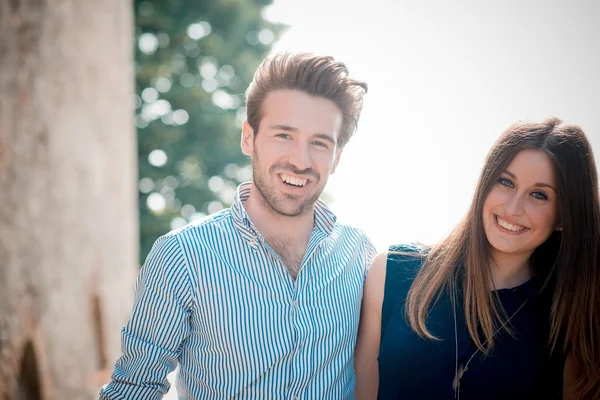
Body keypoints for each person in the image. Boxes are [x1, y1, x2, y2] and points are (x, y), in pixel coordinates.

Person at [100, 52, 376, 399]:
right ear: (248, 138)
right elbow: (134, 389)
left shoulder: (360, 256)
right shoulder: (182, 256)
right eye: (283, 135)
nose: (300, 161)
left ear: (336, 157)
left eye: (319, 143)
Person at [355, 117, 600, 400]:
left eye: (539, 195)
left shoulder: (570, 320)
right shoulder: (392, 272)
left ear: (563, 217)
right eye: (506, 182)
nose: (512, 207)